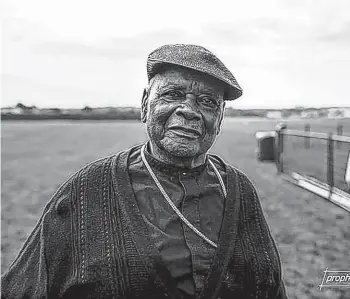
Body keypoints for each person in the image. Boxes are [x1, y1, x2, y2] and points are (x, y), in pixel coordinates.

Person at [1, 44, 287, 299]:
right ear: (144, 105)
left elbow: (271, 285)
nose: (188, 110)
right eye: (173, 94)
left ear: (220, 118)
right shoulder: (88, 188)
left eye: (207, 102)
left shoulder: (239, 188)